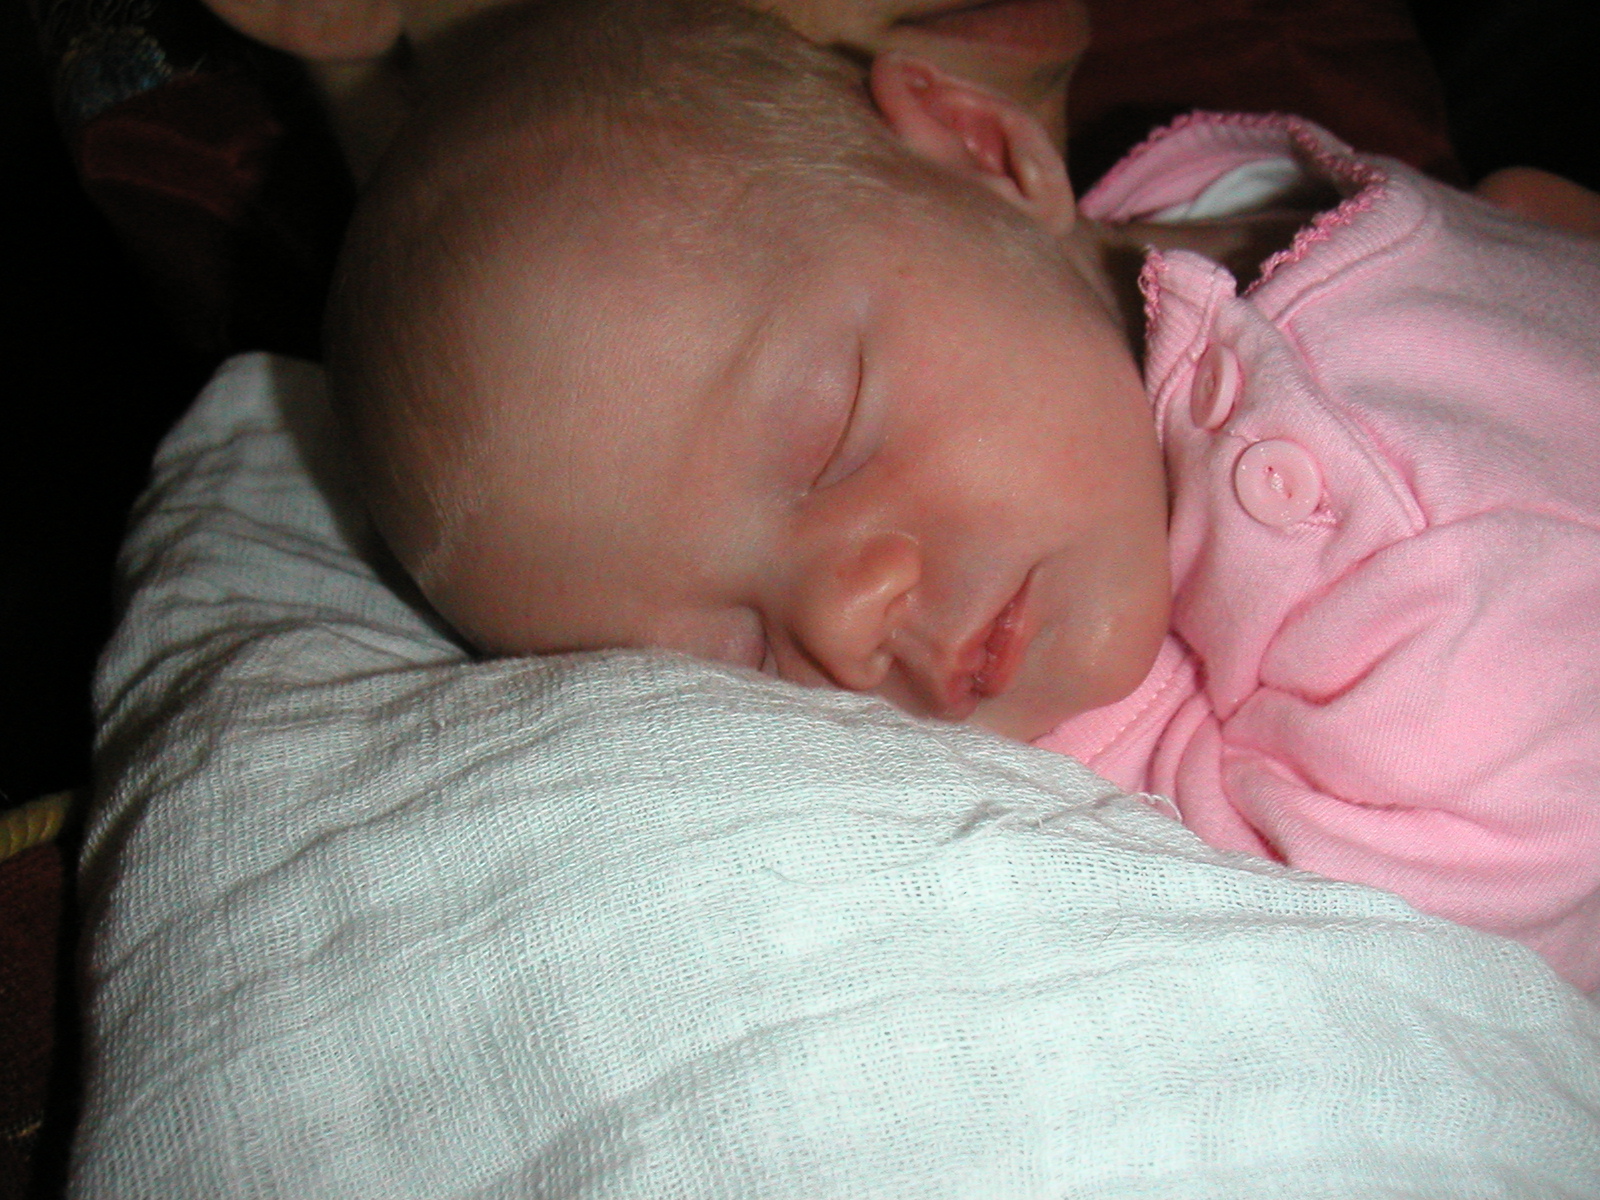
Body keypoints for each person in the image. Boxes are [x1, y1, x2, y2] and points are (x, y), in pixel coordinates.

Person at [324, 0, 1600, 992]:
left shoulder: (1397, 537)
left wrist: (1139, 759)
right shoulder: (1132, 261)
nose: (843, 625)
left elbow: (1423, 931)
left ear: (985, 152)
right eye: (737, 660)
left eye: (829, 438)